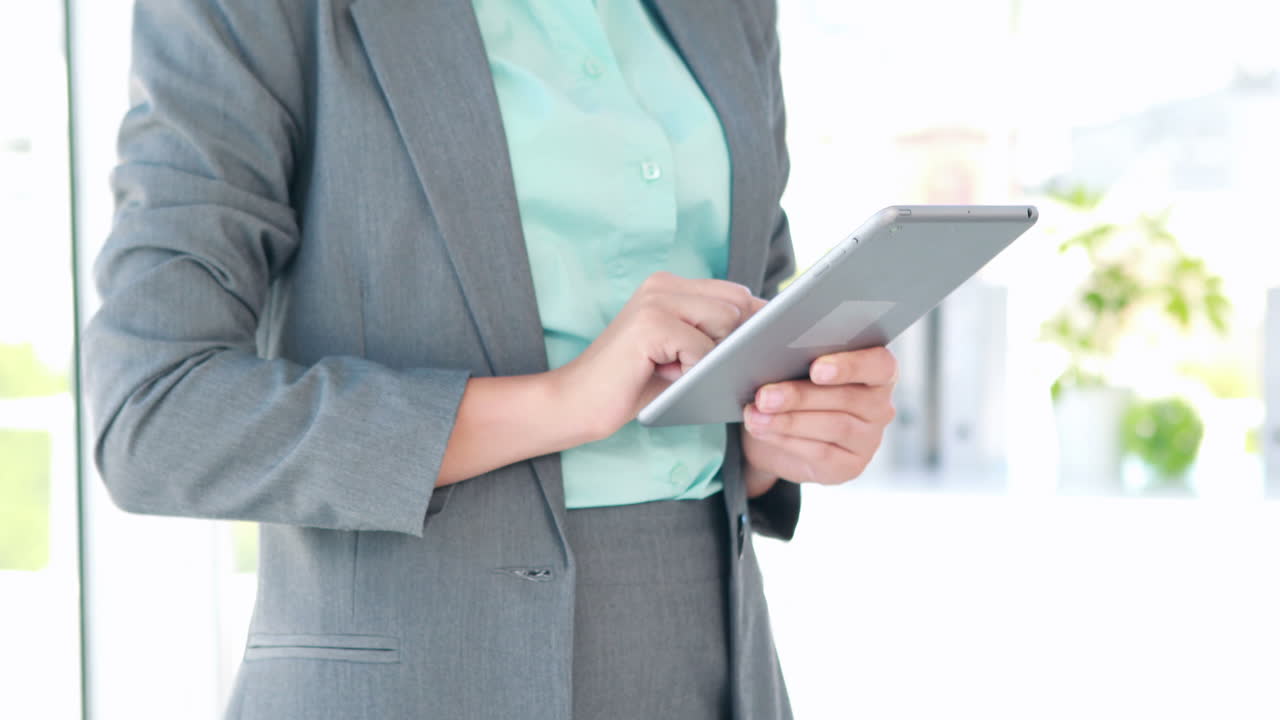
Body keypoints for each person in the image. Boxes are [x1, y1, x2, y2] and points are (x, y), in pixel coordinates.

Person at [83, 0, 897, 718]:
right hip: (413, 679)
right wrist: (561, 403)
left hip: (711, 665)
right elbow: (153, 414)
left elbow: (752, 303)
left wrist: (782, 429)